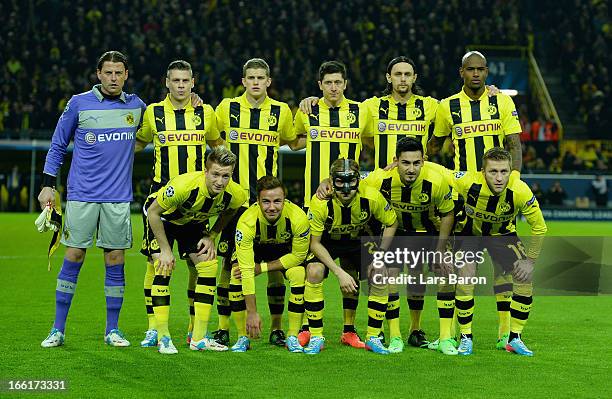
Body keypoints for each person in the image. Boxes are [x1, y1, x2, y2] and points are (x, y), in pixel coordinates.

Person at [38, 50, 146, 348]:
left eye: (119, 73)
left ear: (126, 75)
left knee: (115, 259)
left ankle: (113, 330)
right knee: (74, 256)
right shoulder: (78, 103)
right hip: (82, 196)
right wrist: (48, 185)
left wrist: (194, 101)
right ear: (98, 74)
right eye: (108, 72)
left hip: (118, 199)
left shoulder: (137, 107)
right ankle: (57, 329)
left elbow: (164, 120)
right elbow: (58, 145)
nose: (113, 78)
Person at [428, 51, 523, 348]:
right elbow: (435, 143)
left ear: (486, 71)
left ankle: (505, 334)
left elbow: (514, 144)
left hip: (498, 194)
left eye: (481, 69)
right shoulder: (447, 107)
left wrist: (514, 181)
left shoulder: (502, 101)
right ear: (462, 72)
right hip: (463, 198)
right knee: (456, 268)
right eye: (471, 69)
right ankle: (450, 335)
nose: (477, 74)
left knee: (504, 266)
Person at [213, 58, 304, 348]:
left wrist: (310, 109)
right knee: (229, 266)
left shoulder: (281, 112)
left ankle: (277, 328)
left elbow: (295, 141)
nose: (255, 82)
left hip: (269, 202)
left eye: (260, 77)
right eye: (250, 77)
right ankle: (224, 327)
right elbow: (212, 136)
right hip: (234, 204)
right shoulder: (226, 108)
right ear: (243, 81)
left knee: (275, 268)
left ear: (268, 81)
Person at [135, 60, 224, 348]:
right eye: (176, 81)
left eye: (186, 81)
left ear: (193, 83)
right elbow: (137, 143)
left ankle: (195, 332)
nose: (181, 86)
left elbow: (219, 148)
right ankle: (155, 329)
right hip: (161, 199)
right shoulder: (153, 112)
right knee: (158, 263)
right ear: (167, 82)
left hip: (195, 204)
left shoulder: (205, 112)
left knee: (203, 266)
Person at [142, 147, 246, 354]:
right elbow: (153, 212)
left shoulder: (236, 194)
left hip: (192, 223)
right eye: (215, 174)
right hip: (163, 219)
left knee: (208, 266)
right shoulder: (184, 186)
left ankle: (198, 338)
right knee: (163, 266)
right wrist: (165, 250)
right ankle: (162, 336)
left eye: (226, 176)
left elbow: (231, 211)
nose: (220, 181)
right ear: (205, 171)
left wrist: (212, 235)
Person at [450, 148, 547, 356]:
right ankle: (466, 337)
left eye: (504, 172)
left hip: (503, 234)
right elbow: (438, 172)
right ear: (482, 171)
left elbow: (540, 227)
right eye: (493, 171)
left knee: (525, 277)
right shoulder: (468, 181)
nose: (499, 178)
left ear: (511, 171)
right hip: (471, 234)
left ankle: (514, 338)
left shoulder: (520, 190)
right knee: (465, 278)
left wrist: (530, 261)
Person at [303, 158, 398, 355]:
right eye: (339, 182)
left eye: (351, 181)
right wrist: (339, 273)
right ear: (331, 181)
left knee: (380, 271)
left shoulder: (371, 197)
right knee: (313, 271)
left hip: (356, 240)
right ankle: (316, 335)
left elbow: (392, 222)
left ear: (358, 180)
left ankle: (372, 336)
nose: (346, 188)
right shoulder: (320, 202)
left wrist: (380, 256)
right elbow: (315, 243)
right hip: (327, 241)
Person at [229, 176, 310, 353]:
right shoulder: (246, 222)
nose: (272, 207)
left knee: (298, 274)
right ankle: (242, 336)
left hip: (284, 250)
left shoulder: (298, 218)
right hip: (256, 249)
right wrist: (252, 312)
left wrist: (263, 268)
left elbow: (298, 256)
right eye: (266, 201)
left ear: (285, 200)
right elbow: (247, 269)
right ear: (257, 201)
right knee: (237, 274)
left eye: (277, 201)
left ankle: (288, 334)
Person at [293, 60, 373, 209]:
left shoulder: (361, 110)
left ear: (345, 84)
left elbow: (372, 141)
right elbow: (293, 142)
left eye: (338, 82)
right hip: (314, 197)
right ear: (320, 85)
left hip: (350, 196)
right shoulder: (307, 110)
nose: (334, 88)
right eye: (328, 83)